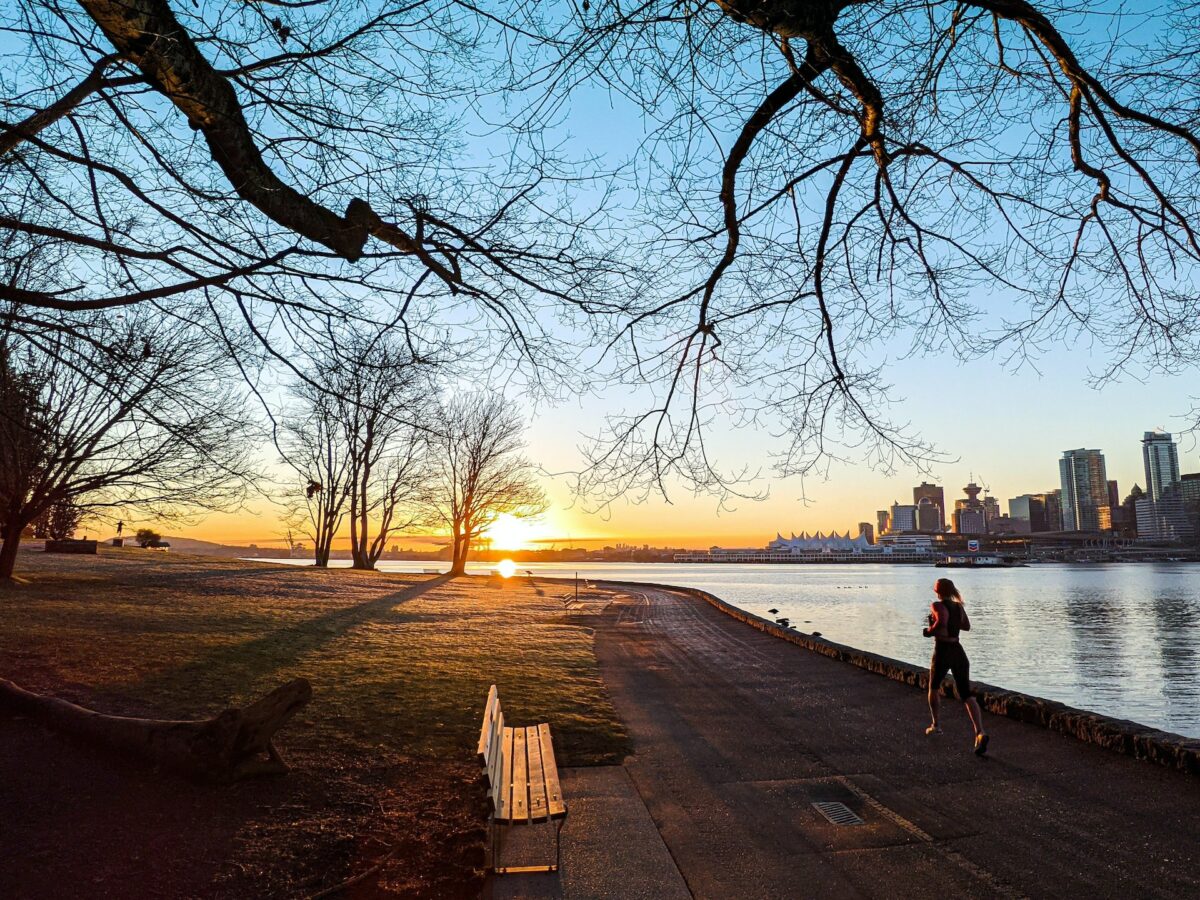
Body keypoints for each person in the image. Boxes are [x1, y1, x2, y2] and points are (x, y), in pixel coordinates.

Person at [923, 577, 989, 755]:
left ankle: (936, 724)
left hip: (943, 650)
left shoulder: (937, 605)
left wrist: (929, 631)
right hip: (958, 650)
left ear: (939, 591)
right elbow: (966, 626)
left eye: (935, 588)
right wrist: (951, 623)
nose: (934, 590)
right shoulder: (958, 606)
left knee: (934, 687)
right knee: (966, 693)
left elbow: (942, 622)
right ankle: (980, 732)